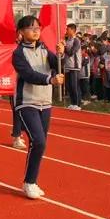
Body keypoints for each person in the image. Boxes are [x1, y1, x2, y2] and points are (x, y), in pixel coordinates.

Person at [12, 15, 65, 200]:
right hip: (27, 102)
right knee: (38, 141)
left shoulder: (44, 48)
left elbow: (58, 66)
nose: (35, 30)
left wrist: (61, 54)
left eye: (37, 27)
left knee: (39, 145)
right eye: (31, 27)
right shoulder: (18, 53)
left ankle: (32, 181)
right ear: (21, 32)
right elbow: (28, 74)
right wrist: (49, 79)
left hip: (45, 102)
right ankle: (29, 182)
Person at [63, 23, 82, 110]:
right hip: (68, 66)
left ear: (73, 30)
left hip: (74, 66)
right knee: (69, 85)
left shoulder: (76, 41)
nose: (66, 31)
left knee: (74, 85)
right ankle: (72, 102)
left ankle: (77, 104)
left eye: (68, 29)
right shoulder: (67, 40)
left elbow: (71, 52)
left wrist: (64, 47)